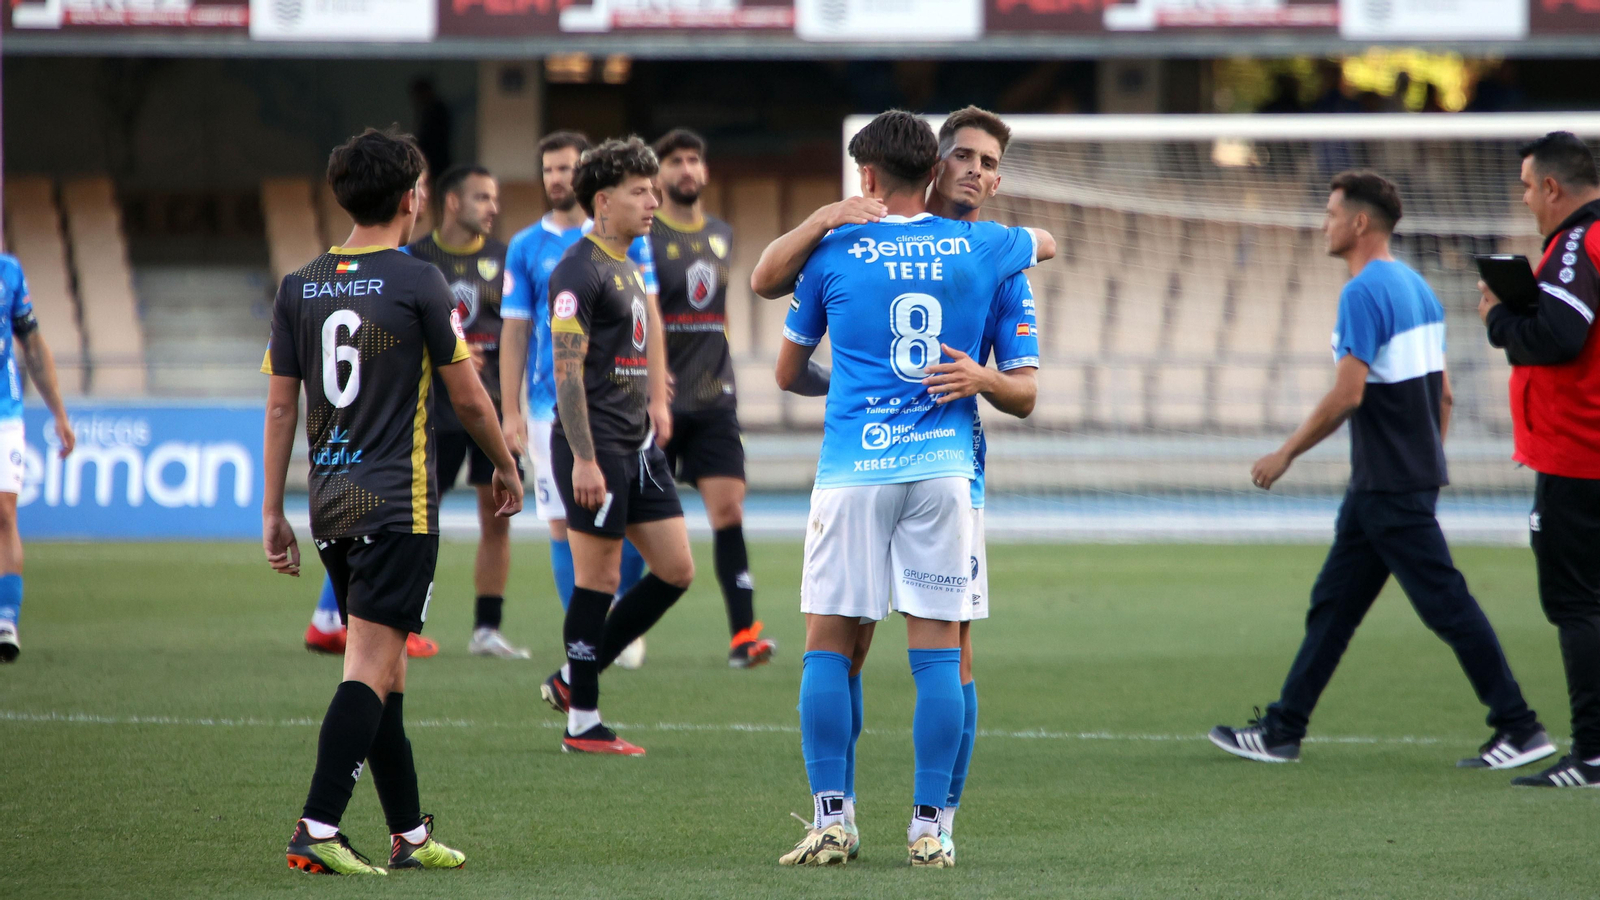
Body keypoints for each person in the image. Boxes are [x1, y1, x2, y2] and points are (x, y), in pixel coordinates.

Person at [751, 105, 1042, 864]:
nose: (976, 172)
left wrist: (855, 384)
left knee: (828, 646)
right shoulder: (985, 250)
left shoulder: (837, 250)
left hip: (853, 466)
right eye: (965, 159)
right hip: (945, 471)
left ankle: (833, 819)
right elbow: (1046, 240)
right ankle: (929, 827)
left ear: (868, 176)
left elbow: (779, 350)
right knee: (941, 656)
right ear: (937, 168)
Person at [1210, 171, 1551, 771]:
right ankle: (1284, 730)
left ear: (1360, 222)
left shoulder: (1362, 293)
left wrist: (1285, 453)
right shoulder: (1417, 289)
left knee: (1447, 604)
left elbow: (1348, 394)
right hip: (1393, 483)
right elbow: (1442, 395)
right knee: (1334, 606)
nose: (1324, 222)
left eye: (1331, 212)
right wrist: (1426, 462)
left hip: (1387, 485)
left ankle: (1521, 728)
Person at [262, 127, 523, 875]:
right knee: (369, 669)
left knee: (387, 672)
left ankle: (408, 834)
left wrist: (270, 510)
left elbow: (282, 410)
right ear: (412, 197)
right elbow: (469, 399)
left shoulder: (299, 284)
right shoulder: (418, 282)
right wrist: (506, 466)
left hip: (331, 503)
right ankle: (316, 826)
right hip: (398, 506)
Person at [304, 163, 529, 660]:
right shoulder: (415, 259)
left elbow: (516, 330)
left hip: (484, 407)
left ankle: (486, 628)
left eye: (495, 199)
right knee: (413, 519)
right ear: (451, 202)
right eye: (482, 198)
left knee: (498, 519)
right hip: (427, 412)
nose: (493, 208)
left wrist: (513, 409)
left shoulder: (506, 258)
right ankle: (356, 618)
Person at [534, 137, 696, 756]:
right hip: (595, 448)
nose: (654, 200)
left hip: (639, 447)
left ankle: (571, 677)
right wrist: (582, 459)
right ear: (604, 202)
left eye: (654, 189)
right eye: (640, 191)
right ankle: (584, 723)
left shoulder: (627, 263)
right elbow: (567, 372)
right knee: (596, 581)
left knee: (676, 569)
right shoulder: (577, 270)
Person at [628, 128, 776, 668]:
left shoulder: (722, 234)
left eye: (694, 159)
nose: (686, 169)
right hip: (659, 400)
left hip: (714, 395)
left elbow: (719, 312)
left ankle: (744, 635)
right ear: (659, 175)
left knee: (729, 509)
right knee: (633, 514)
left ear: (705, 171)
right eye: (675, 161)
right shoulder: (644, 238)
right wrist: (644, 380)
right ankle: (618, 617)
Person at [1478, 132, 1600, 788]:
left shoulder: (1581, 241)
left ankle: (1592, 753)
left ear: (1553, 187)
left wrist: (1499, 319)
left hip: (1581, 459)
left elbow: (1558, 338)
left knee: (1576, 605)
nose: (1524, 198)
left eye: (1527, 186)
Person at [501, 132, 648, 668]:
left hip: (621, 404)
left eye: (566, 168)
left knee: (634, 521)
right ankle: (584, 644)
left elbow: (646, 316)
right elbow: (516, 331)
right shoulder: (525, 247)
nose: (557, 178)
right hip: (550, 406)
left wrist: (659, 387)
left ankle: (609, 625)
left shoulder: (627, 235)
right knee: (562, 521)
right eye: (548, 169)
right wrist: (511, 408)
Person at [0, 255, 74, 663]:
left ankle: (6, 619)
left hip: (4, 412)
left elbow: (31, 343)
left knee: (5, 513)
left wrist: (59, 413)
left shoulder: (9, 272)